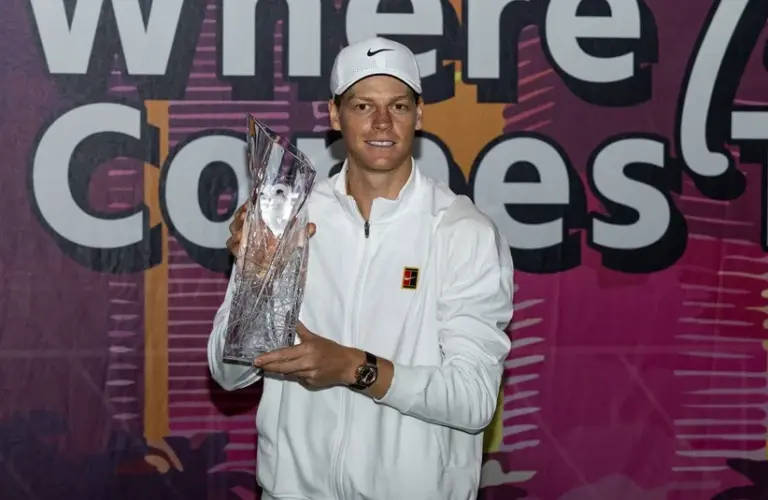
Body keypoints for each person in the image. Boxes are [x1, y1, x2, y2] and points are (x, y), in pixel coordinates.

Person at [207, 36, 514, 500]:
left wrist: (353, 367)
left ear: (420, 113)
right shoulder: (288, 217)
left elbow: (473, 400)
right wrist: (258, 279)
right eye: (362, 106)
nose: (383, 123)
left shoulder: (461, 230)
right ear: (335, 115)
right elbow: (226, 375)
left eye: (399, 106)